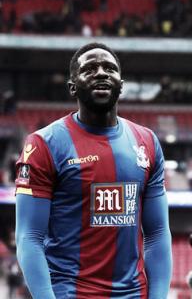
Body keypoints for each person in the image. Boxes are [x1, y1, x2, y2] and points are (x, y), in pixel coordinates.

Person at [14, 42, 172, 298]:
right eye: (89, 69)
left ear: (121, 84)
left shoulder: (147, 142)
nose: (101, 73)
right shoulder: (44, 145)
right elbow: (29, 238)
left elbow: (157, 233)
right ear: (72, 87)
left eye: (109, 68)